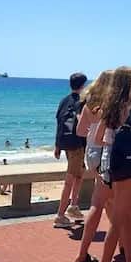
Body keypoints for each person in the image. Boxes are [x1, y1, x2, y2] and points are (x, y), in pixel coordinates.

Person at [93, 66, 131, 262]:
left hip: (108, 168)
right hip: (125, 170)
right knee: (117, 221)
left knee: (122, 216)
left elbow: (97, 138)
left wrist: (113, 145)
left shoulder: (109, 107)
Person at [73, 70, 113, 262]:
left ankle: (125, 240)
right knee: (102, 202)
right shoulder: (111, 104)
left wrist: (93, 130)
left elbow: (80, 131)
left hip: (91, 152)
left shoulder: (88, 103)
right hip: (105, 152)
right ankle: (84, 252)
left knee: (108, 200)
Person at [52, 72, 88, 228]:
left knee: (80, 173)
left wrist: (57, 145)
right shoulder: (82, 102)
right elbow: (83, 123)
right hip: (77, 144)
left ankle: (73, 206)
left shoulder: (63, 101)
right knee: (70, 179)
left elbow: (59, 122)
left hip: (66, 143)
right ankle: (60, 215)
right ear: (83, 85)